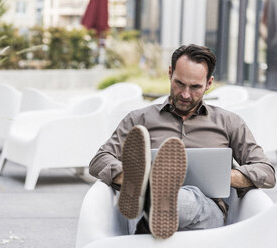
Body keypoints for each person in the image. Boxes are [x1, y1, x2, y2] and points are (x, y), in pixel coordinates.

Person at [89, 44, 276, 239]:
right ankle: (151, 204)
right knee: (150, 194)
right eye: (180, 83)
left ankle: (151, 212)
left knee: (187, 198)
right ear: (170, 73)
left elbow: (266, 172)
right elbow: (99, 160)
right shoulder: (139, 119)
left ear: (209, 83)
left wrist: (223, 176)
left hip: (205, 216)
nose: (186, 94)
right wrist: (134, 177)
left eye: (195, 87)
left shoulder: (228, 122)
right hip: (143, 200)